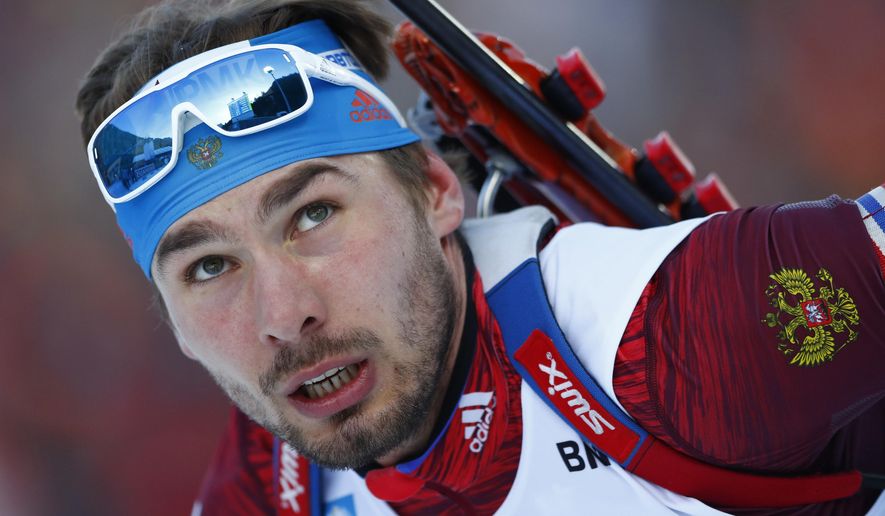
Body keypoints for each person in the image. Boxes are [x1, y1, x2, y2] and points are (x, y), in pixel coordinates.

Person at [75, 0, 884, 514]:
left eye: (313, 214)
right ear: (172, 323)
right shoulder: (271, 482)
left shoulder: (666, 340)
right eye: (209, 267)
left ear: (433, 191)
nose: (285, 316)